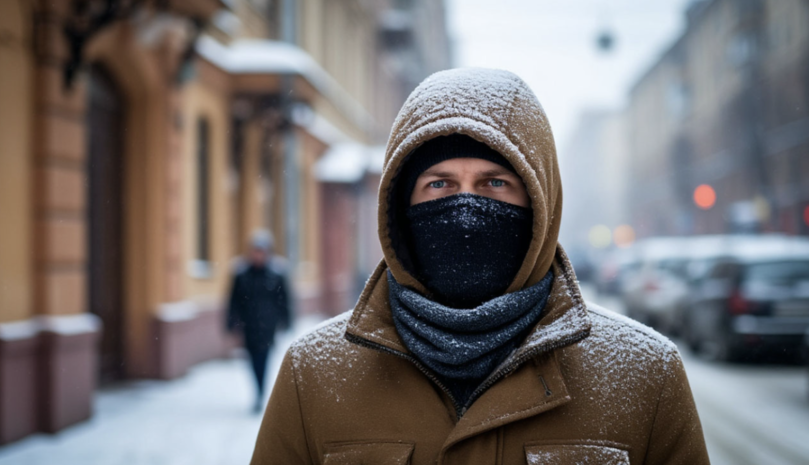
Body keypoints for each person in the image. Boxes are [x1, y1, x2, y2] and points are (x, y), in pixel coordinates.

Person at [252, 69, 709, 464]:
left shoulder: (645, 373)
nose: (466, 211)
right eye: (439, 183)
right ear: (398, 205)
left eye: (495, 182)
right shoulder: (313, 374)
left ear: (539, 203)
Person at [227, 230, 291, 412]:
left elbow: (284, 299)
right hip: (249, 325)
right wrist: (231, 322)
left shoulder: (276, 274)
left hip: (268, 326)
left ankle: (260, 393)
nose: (258, 255)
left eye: (262, 251)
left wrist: (286, 320)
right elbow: (233, 300)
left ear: (268, 253)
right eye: (256, 251)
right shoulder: (241, 275)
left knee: (264, 357)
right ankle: (258, 390)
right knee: (252, 359)